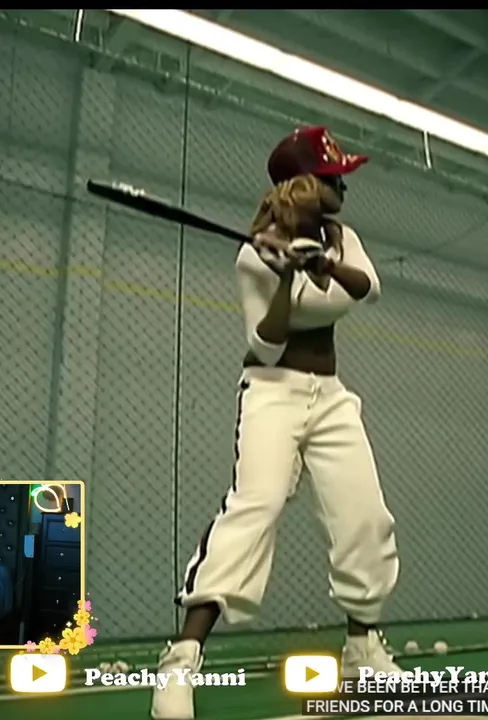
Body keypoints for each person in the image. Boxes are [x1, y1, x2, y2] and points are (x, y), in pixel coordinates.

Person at [152, 126, 401, 720]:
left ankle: (362, 650)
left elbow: (369, 290)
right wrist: (286, 275)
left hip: (331, 396)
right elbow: (265, 346)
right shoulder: (253, 256)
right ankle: (180, 661)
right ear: (301, 185)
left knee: (365, 515)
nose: (343, 186)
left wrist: (321, 262)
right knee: (256, 506)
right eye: (332, 176)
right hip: (271, 393)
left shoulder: (343, 238)